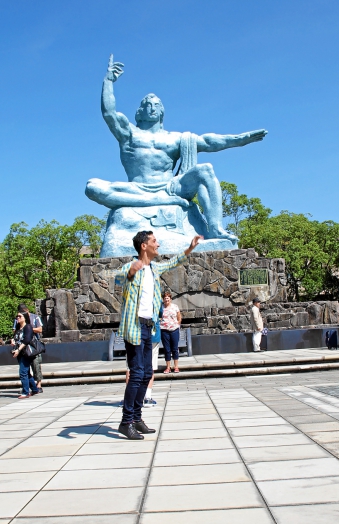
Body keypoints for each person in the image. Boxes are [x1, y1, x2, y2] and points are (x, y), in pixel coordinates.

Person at [85, 56, 267, 243]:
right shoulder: (129, 133)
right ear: (140, 111)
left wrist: (239, 139)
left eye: (156, 105)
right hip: (136, 188)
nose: (152, 108)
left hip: (170, 188)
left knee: (206, 170)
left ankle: (215, 228)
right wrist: (108, 81)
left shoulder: (175, 138)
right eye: (147, 105)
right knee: (92, 187)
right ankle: (154, 202)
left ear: (162, 111)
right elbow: (109, 113)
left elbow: (208, 141)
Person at [115, 230, 202, 440]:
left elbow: (174, 262)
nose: (158, 244)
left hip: (149, 327)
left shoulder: (154, 269)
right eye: (155, 241)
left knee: (146, 374)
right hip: (134, 328)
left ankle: (136, 418)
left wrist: (191, 247)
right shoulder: (131, 267)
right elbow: (118, 279)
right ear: (144, 246)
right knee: (136, 374)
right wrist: (131, 272)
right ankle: (126, 422)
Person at [16, 304, 44, 394]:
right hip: (23, 348)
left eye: (23, 312)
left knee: (36, 365)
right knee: (25, 369)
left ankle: (38, 385)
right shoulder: (18, 319)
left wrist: (29, 330)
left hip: (33, 346)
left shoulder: (35, 317)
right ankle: (31, 387)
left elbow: (40, 330)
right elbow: (15, 330)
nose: (19, 316)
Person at [11, 311, 37, 399]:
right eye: (17, 316)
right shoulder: (18, 328)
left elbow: (27, 340)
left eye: (19, 316)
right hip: (20, 353)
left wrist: (18, 349)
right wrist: (13, 341)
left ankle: (25, 392)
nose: (17, 318)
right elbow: (16, 339)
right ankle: (34, 389)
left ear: (25, 317)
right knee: (26, 372)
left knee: (22, 372)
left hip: (26, 352)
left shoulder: (28, 327)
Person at [160, 292, 182, 373]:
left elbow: (179, 316)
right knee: (167, 349)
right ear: (163, 299)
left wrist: (178, 324)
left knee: (175, 348)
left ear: (170, 299)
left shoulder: (175, 307)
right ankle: (168, 367)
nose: (166, 300)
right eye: (165, 298)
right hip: (164, 330)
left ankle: (176, 367)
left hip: (174, 330)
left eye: (168, 298)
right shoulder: (161, 307)